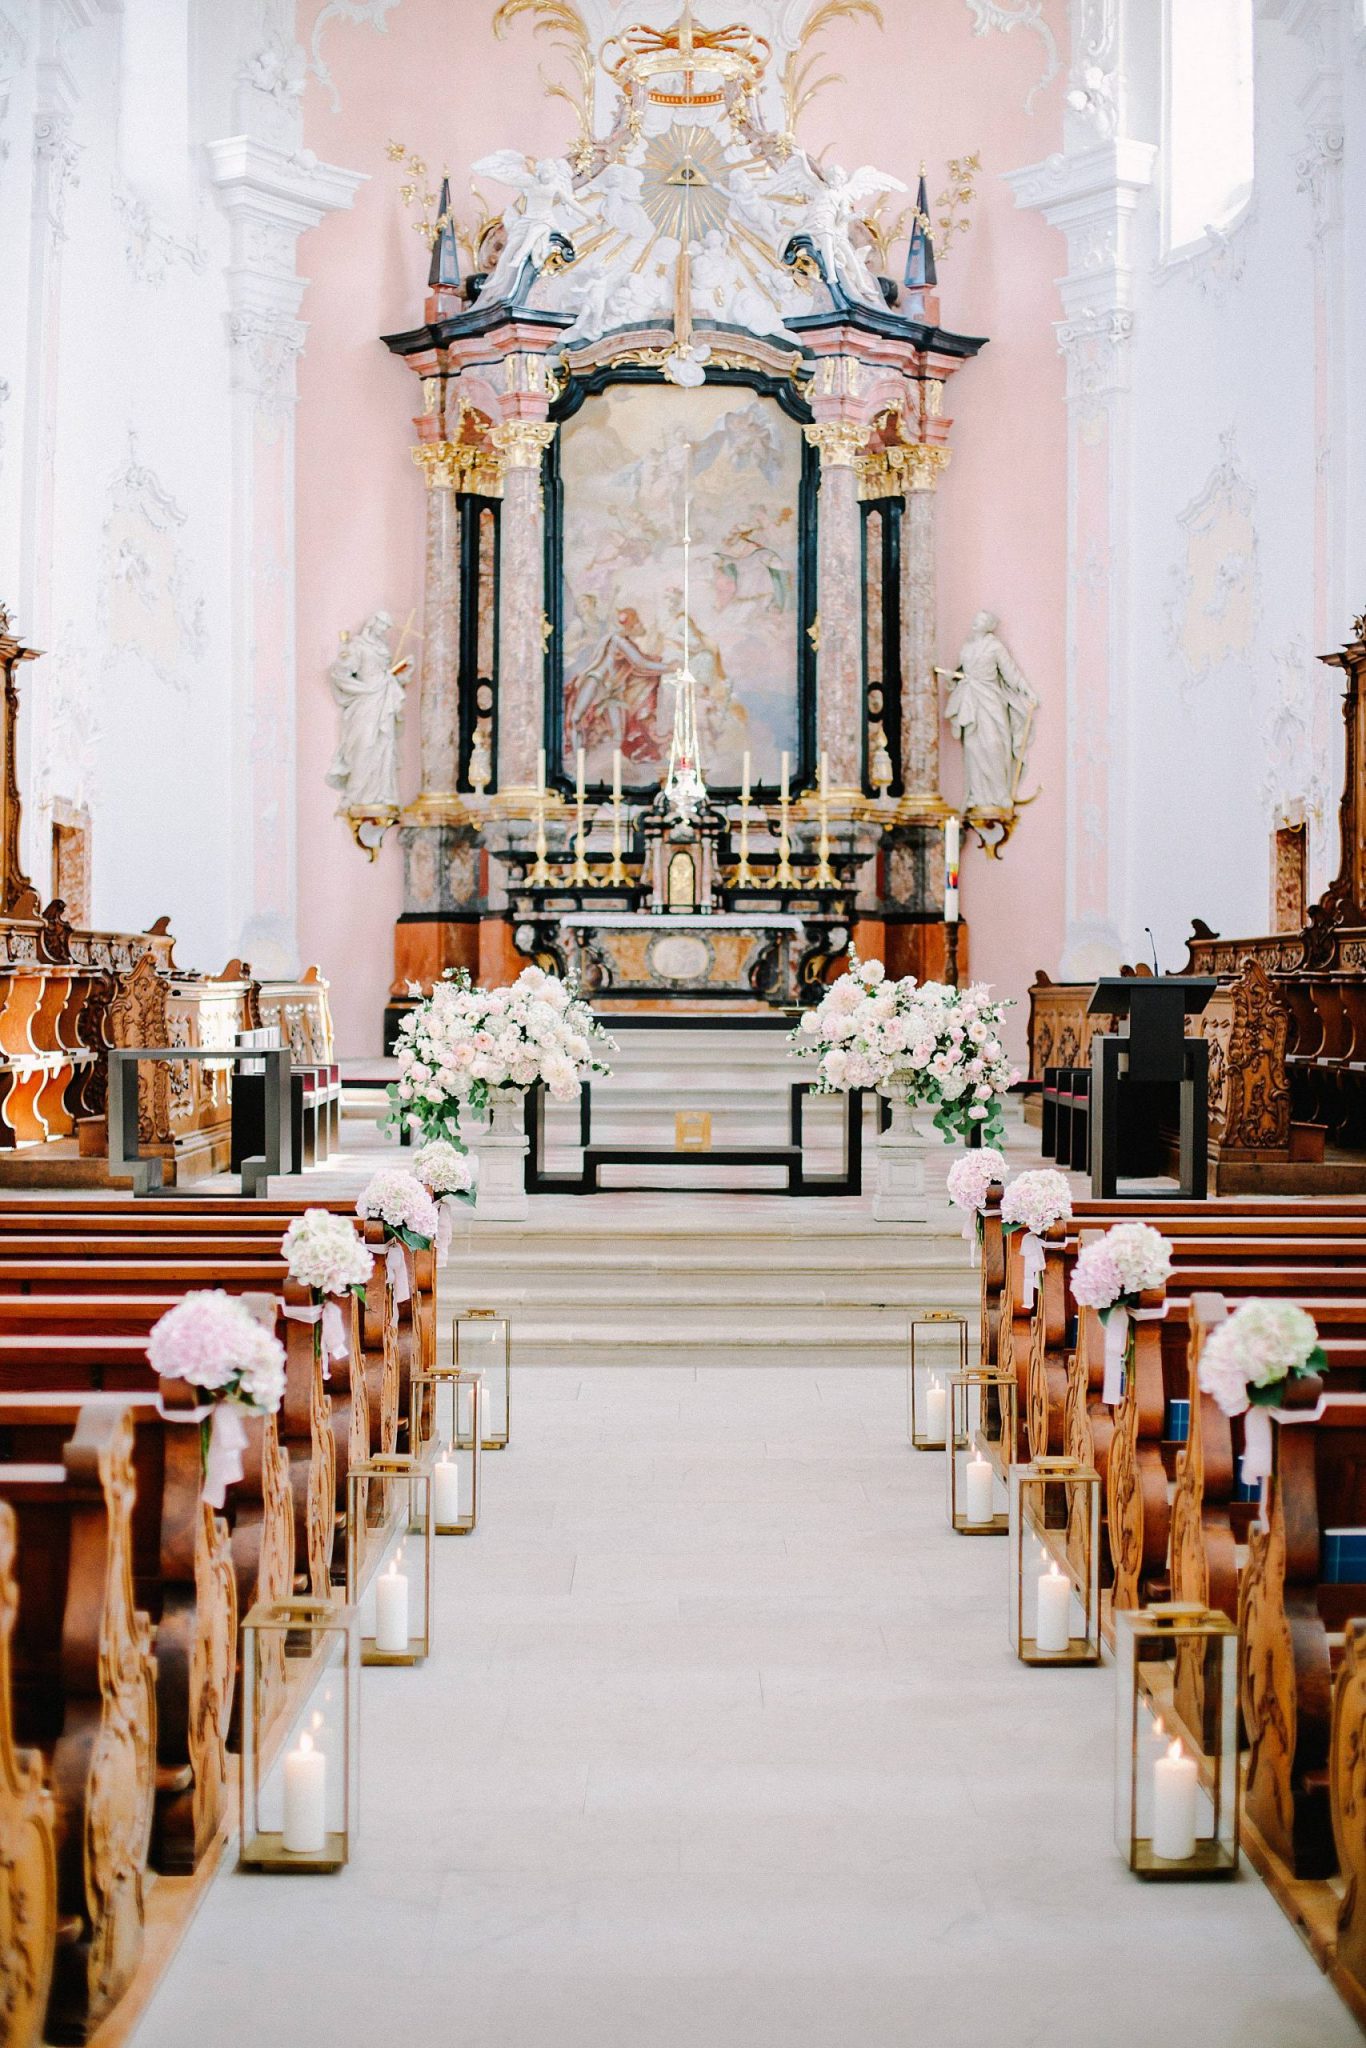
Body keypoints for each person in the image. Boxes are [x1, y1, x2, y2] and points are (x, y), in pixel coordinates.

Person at [944, 611, 1039, 813]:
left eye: (980, 620)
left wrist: (1027, 691)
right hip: (971, 698)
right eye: (975, 618)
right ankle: (977, 795)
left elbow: (1010, 672)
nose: (975, 621)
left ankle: (999, 794)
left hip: (990, 698)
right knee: (972, 746)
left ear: (988, 626)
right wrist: (953, 677)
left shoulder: (995, 647)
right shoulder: (967, 646)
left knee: (995, 743)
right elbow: (961, 673)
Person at [325, 611, 408, 811]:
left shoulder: (383, 648)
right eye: (383, 625)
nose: (385, 630)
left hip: (383, 697)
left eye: (387, 627)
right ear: (373, 623)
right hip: (366, 700)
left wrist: (399, 676)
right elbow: (341, 673)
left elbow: (384, 674)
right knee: (365, 744)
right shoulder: (357, 647)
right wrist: (361, 686)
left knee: (384, 743)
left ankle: (383, 793)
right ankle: (356, 795)